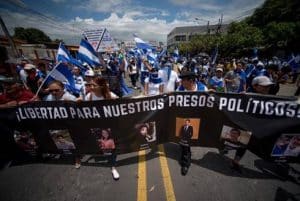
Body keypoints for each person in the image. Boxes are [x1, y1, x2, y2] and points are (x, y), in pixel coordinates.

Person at [43, 80, 80, 168]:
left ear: (63, 89)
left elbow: (79, 109)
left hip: (70, 123)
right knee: (60, 139)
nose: (54, 92)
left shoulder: (69, 97)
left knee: (73, 140)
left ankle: (77, 157)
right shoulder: (49, 98)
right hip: (57, 123)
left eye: (56, 90)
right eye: (51, 91)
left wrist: (73, 103)